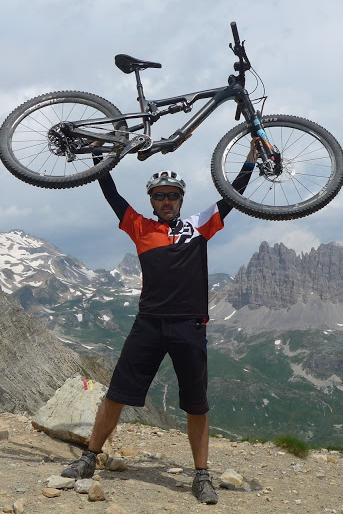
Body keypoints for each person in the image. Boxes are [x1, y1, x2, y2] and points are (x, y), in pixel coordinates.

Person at [61, 145, 257, 504]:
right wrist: (96, 158)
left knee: (196, 405)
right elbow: (110, 193)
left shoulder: (199, 225)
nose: (166, 200)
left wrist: (250, 160)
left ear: (181, 199)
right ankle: (89, 459)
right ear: (151, 200)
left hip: (189, 326)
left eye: (172, 195)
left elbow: (233, 194)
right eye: (159, 196)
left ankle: (201, 476)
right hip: (148, 324)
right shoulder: (139, 226)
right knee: (116, 395)